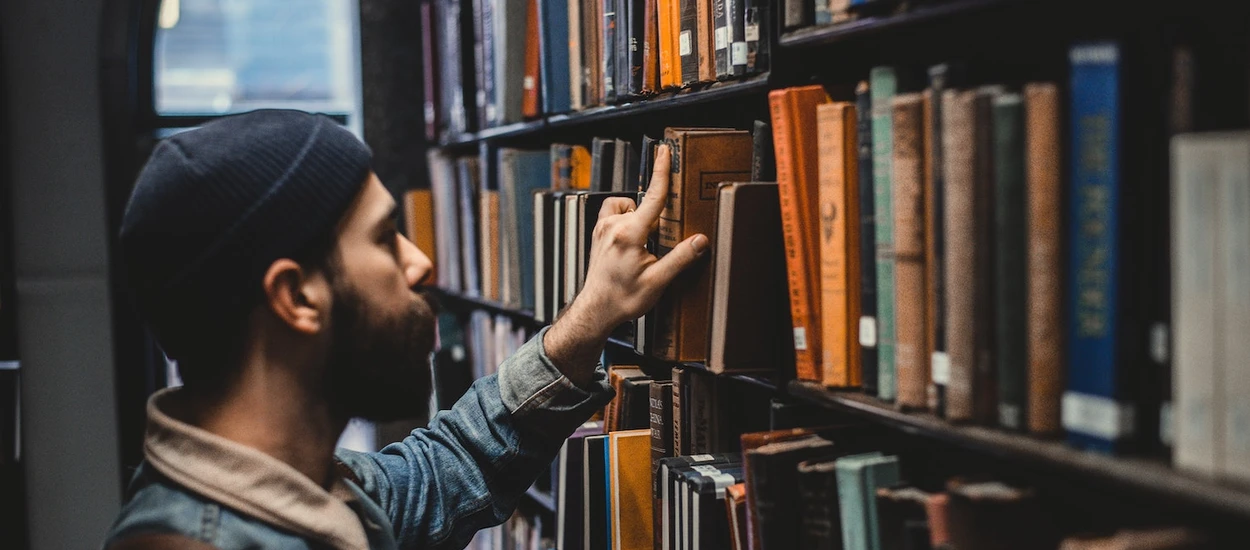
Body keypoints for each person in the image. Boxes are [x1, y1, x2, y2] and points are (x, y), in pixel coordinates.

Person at [101, 109, 708, 550]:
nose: (420, 263)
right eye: (383, 237)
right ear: (295, 297)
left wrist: (590, 317)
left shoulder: (315, 489)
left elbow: (457, 461)